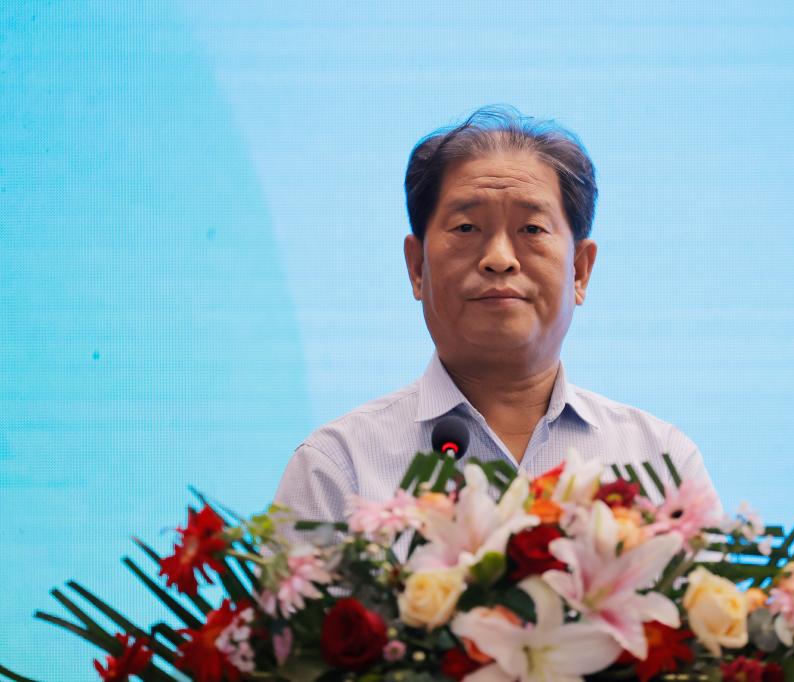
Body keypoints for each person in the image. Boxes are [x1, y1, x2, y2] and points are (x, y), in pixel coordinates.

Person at [274, 104, 722, 523]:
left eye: (532, 229)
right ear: (417, 267)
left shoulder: (660, 465)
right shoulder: (339, 469)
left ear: (580, 270)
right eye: (466, 227)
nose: (499, 259)